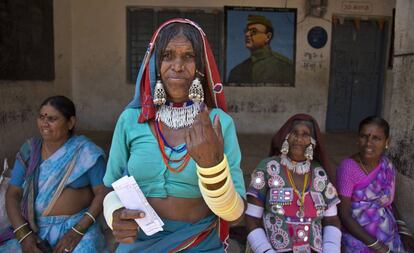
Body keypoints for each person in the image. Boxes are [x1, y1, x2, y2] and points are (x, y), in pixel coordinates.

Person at [102, 18, 246, 252]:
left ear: (200, 65)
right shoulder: (130, 120)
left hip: (198, 242)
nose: (177, 66)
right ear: (155, 64)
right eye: (168, 56)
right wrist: (114, 214)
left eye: (188, 56)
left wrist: (212, 166)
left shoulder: (219, 123)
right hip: (139, 243)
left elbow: (236, 214)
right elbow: (111, 187)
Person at [0, 96, 108, 253]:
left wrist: (78, 230)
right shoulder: (30, 151)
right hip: (34, 228)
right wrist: (24, 235)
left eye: (52, 118)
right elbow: (12, 194)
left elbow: (103, 192)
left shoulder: (86, 153)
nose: (44, 123)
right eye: (41, 117)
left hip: (76, 226)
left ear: (70, 123)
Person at [245, 114, 341, 253]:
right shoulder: (268, 169)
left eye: (305, 134)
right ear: (286, 136)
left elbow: (331, 219)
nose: (298, 139)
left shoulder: (319, 173)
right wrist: (265, 250)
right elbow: (251, 218)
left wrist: (331, 250)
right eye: (294, 133)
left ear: (312, 142)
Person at [337, 116, 414, 253]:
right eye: (364, 136)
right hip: (358, 237)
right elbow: (344, 215)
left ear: (386, 142)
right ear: (357, 139)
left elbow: (389, 202)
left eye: (376, 138)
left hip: (388, 233)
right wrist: (379, 247)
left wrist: (404, 231)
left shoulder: (387, 165)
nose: (368, 143)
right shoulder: (348, 168)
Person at [227, 14, 294, 85]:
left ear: (268, 37)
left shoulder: (285, 67)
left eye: (253, 31)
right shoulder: (236, 71)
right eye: (246, 30)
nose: (247, 34)